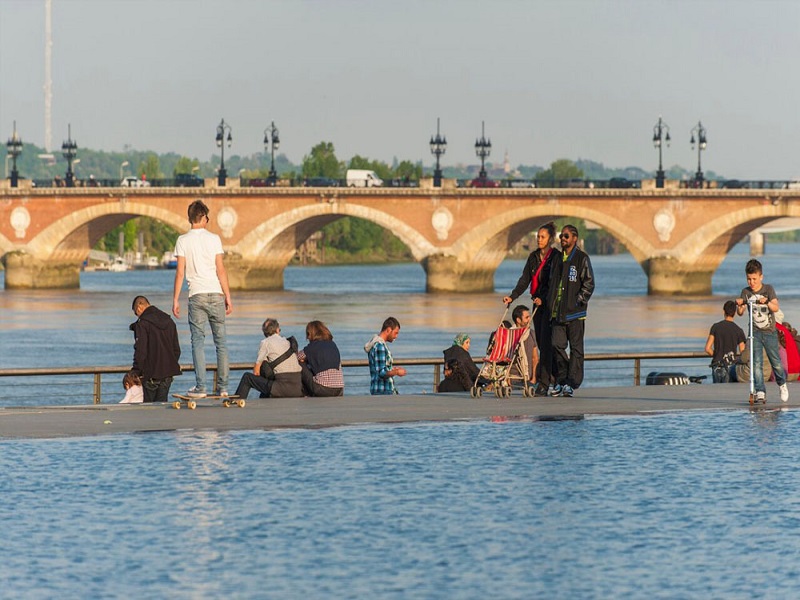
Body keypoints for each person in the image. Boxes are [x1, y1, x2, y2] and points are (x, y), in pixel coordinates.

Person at [172, 199, 233, 398]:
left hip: (196, 295)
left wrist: (175, 300)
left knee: (198, 342)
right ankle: (223, 388)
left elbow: (180, 273)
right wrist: (228, 296)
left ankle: (201, 387)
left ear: (190, 218)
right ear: (204, 217)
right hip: (216, 293)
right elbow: (220, 270)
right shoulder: (214, 238)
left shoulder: (182, 240)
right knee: (221, 342)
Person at [503, 222, 558, 396]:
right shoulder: (533, 257)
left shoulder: (555, 257)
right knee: (541, 343)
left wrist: (545, 297)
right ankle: (553, 378)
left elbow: (555, 283)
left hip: (551, 305)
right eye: (538, 237)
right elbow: (525, 279)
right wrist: (512, 296)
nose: (539, 240)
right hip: (538, 304)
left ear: (550, 239)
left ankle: (545, 383)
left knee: (549, 344)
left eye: (542, 237)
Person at [547, 224, 594, 398]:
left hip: (575, 313)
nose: (563, 239)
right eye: (561, 236)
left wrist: (578, 301)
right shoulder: (558, 259)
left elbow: (589, 283)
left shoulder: (581, 258)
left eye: (566, 236)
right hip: (557, 312)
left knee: (576, 349)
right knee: (556, 345)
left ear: (574, 238)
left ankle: (571, 383)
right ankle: (562, 380)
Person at [735, 258, 788, 403]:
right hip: (754, 333)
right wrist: (739, 305)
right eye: (749, 279)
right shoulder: (745, 292)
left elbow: (776, 307)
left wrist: (768, 302)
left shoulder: (768, 289)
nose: (751, 282)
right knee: (756, 363)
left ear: (761, 277)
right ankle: (760, 390)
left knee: (775, 362)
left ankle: (782, 384)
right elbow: (740, 312)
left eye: (754, 279)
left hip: (769, 331)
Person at [130, 295, 182, 402]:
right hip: (168, 373)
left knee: (149, 411)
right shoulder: (169, 321)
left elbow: (141, 351)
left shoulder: (142, 324)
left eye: (136, 313)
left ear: (139, 307)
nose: (137, 316)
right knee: (162, 408)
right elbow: (176, 349)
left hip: (150, 374)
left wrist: (136, 371)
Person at [235, 318, 303, 399]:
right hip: (297, 388)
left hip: (281, 389)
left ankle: (236, 400)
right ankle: (264, 397)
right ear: (277, 330)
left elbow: (256, 371)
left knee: (247, 377)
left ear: (264, 332)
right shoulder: (287, 342)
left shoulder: (265, 342)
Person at [298, 320, 344, 397]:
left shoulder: (312, 347)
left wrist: (304, 360)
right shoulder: (332, 344)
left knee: (300, 363)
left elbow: (296, 357)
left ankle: (304, 394)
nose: (307, 338)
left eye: (308, 335)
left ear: (311, 334)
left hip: (323, 389)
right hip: (339, 389)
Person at [704, 300, 746, 383]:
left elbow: (707, 349)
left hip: (716, 365)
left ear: (724, 311)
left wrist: (717, 355)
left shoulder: (715, 327)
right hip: (730, 367)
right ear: (734, 312)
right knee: (728, 393)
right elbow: (743, 352)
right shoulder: (738, 330)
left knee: (717, 392)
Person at [364, 317, 406, 395]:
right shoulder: (380, 346)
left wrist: (392, 369)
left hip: (379, 390)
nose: (396, 336)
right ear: (388, 330)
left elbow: (380, 368)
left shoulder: (376, 344)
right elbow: (381, 372)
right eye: (395, 333)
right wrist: (396, 372)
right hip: (383, 391)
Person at [511, 304, 539, 387]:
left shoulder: (531, 333)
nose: (529, 319)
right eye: (527, 317)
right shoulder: (510, 334)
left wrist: (534, 378)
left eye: (529, 317)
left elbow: (535, 358)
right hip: (513, 378)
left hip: (528, 377)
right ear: (518, 320)